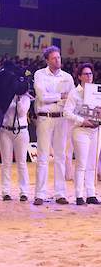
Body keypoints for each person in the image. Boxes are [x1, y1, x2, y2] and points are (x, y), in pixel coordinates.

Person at [33, 46, 74, 205]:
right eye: (54, 58)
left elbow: (70, 99)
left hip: (62, 119)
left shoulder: (68, 77)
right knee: (42, 156)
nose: (58, 60)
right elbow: (42, 97)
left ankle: (60, 193)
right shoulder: (40, 74)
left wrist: (55, 97)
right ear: (47, 60)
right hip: (45, 118)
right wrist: (60, 96)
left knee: (60, 157)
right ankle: (40, 194)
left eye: (59, 57)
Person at [63, 63, 100, 205]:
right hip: (81, 130)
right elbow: (67, 112)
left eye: (90, 74)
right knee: (81, 163)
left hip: (95, 130)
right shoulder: (74, 92)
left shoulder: (97, 91)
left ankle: (90, 194)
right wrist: (82, 120)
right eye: (85, 74)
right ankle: (79, 195)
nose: (89, 76)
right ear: (79, 77)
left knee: (92, 164)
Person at [0, 94, 31, 202]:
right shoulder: (4, 95)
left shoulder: (26, 98)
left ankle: (24, 192)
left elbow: (21, 112)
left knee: (21, 162)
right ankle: (5, 192)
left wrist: (19, 99)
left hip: (21, 131)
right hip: (5, 130)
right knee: (6, 162)